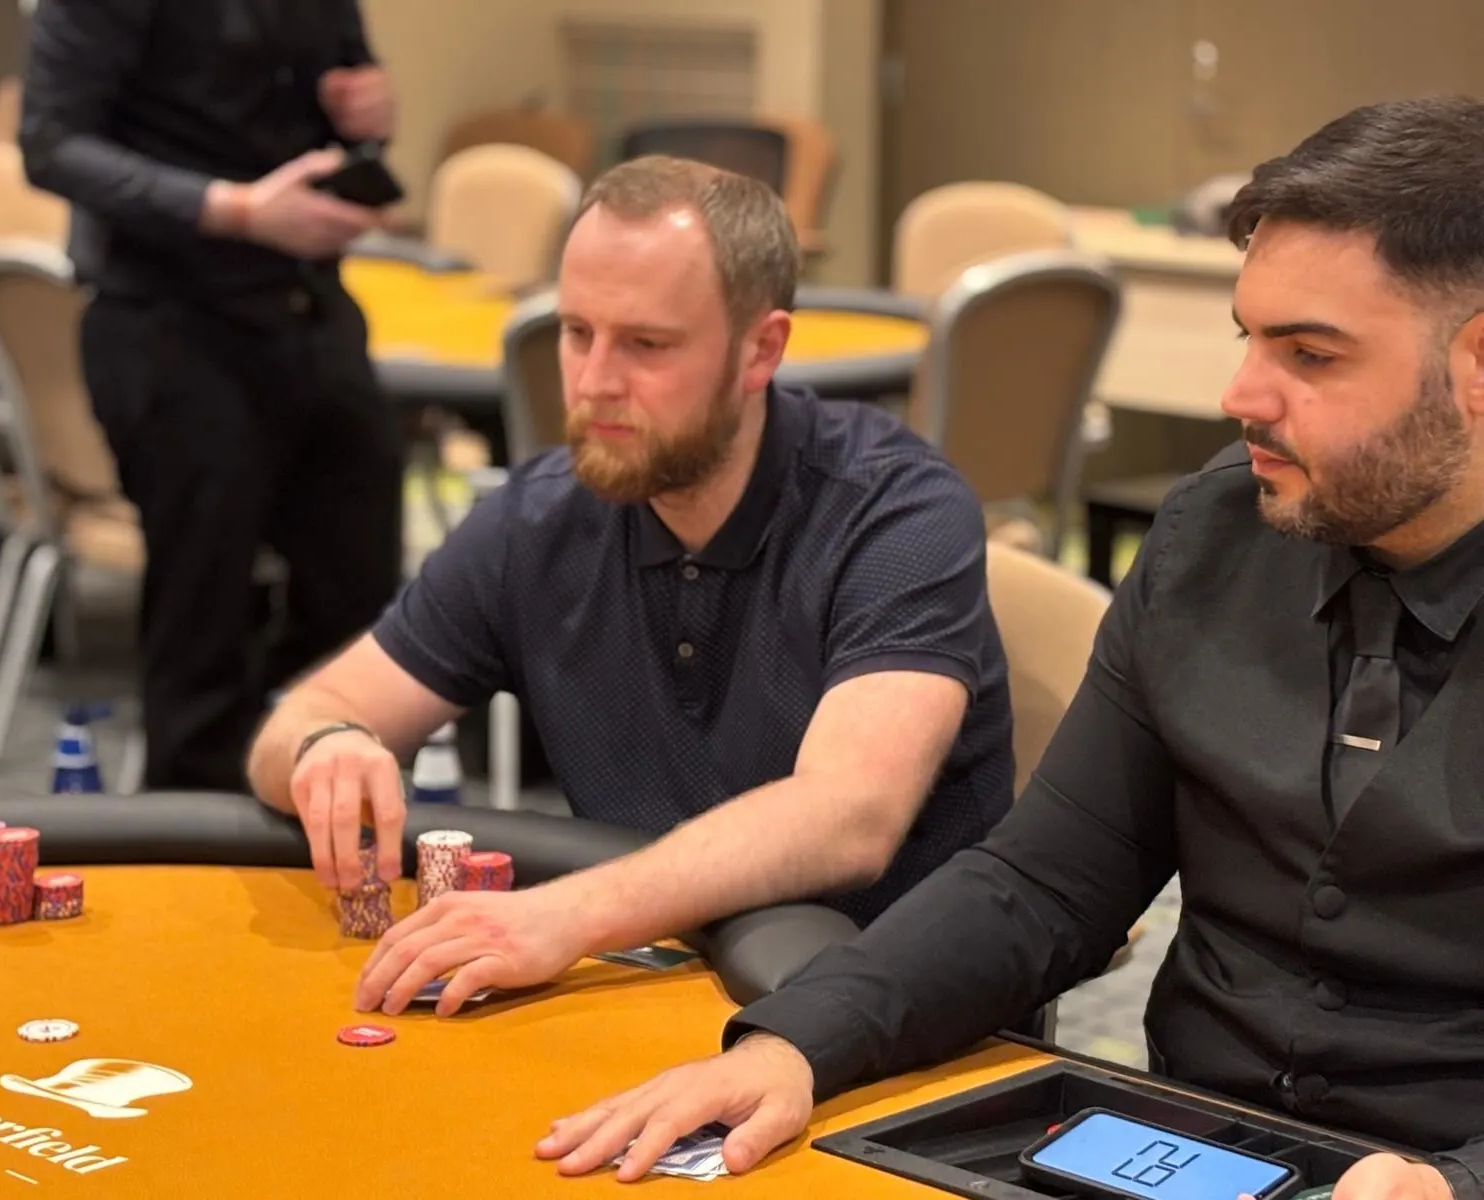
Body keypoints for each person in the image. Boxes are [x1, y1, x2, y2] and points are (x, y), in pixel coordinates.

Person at [536, 97, 1484, 1200]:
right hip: (1188, 1145)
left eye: (1310, 354)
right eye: (1249, 339)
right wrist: (796, 1044)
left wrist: (1453, 1186)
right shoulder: (1213, 534)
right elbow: (1045, 882)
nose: (1241, 396)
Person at [247, 155, 1017, 1016]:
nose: (595, 382)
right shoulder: (536, 520)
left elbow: (850, 816)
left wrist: (565, 912)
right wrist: (326, 747)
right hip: (655, 985)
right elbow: (304, 718)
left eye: (647, 345)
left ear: (761, 349)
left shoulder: (896, 510)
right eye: (577, 333)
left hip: (903, 1024)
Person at [19, 1, 405, 792]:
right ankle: (193, 834)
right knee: (202, 628)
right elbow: (50, 145)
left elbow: (342, 105)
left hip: (309, 308)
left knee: (361, 596)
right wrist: (233, 209)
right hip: (169, 319)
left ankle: (295, 792)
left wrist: (368, 120)